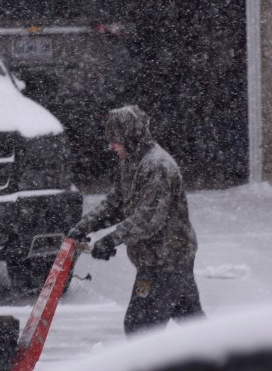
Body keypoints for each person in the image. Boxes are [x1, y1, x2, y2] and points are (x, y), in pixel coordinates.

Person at [68, 105, 204, 336]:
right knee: (191, 323)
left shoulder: (158, 166)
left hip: (165, 260)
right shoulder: (131, 162)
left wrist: (110, 241)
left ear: (130, 138)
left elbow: (149, 218)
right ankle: (223, 362)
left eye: (115, 140)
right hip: (162, 258)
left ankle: (154, 370)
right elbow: (116, 203)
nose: (111, 146)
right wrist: (82, 227)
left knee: (140, 327)